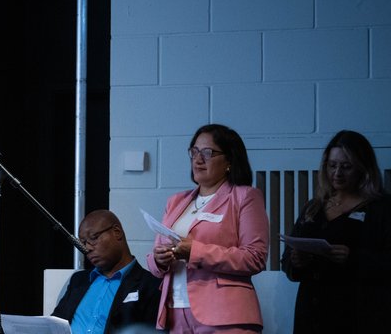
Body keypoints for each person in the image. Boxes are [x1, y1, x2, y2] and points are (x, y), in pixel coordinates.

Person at [146, 124, 268, 333]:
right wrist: (159, 260)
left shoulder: (245, 196)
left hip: (225, 314)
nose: (198, 159)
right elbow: (155, 257)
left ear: (229, 160)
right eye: (194, 152)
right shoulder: (176, 201)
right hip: (175, 311)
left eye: (207, 153)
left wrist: (196, 252)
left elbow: (254, 257)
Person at [281, 130, 391, 333]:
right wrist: (296, 261)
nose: (337, 173)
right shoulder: (314, 207)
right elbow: (287, 263)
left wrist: (354, 258)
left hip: (360, 314)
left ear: (362, 168)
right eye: (332, 166)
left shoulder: (381, 208)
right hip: (312, 313)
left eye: (346, 167)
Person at [52, 210, 161, 334]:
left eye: (94, 238)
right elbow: (55, 323)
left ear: (117, 232)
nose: (87, 248)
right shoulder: (78, 280)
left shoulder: (149, 285)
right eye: (83, 243)